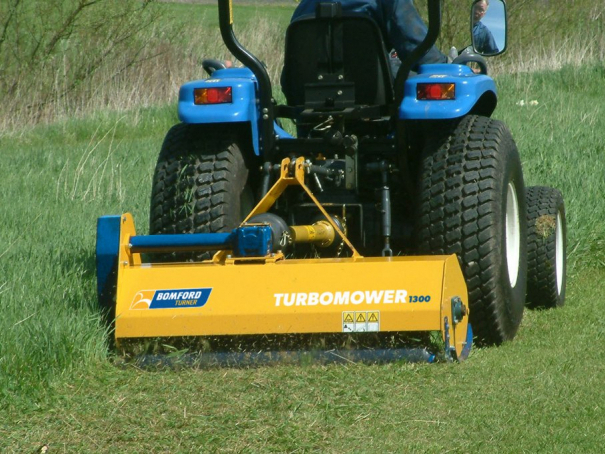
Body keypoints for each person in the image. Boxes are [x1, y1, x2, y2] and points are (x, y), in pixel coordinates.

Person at [290, 0, 447, 72]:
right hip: (371, 98)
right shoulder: (391, 2)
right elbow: (419, 51)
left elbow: (292, 71)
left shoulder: (304, 6)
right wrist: (448, 65)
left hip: (309, 106)